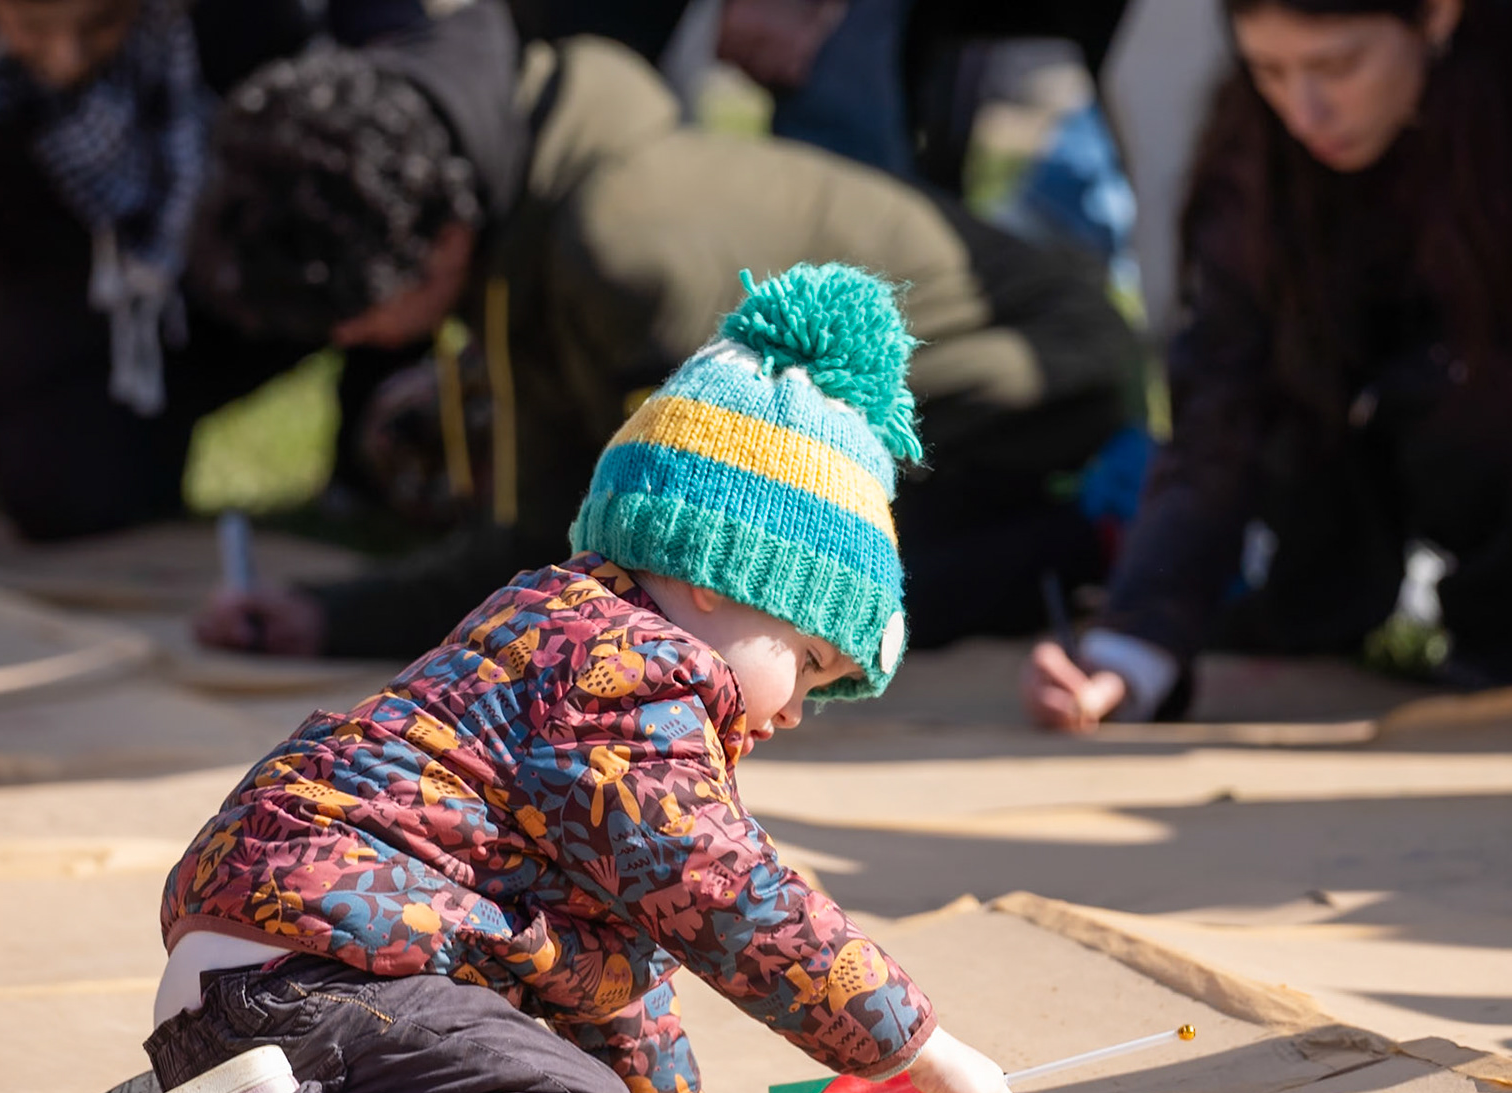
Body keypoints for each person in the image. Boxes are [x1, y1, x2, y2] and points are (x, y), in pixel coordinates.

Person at [11, 265, 1049, 1093]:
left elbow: (618, 949)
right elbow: (738, 901)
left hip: (258, 975)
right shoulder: (636, 691)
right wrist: (922, 1048)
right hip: (317, 976)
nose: (802, 708)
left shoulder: (558, 635)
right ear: (717, 580)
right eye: (811, 662)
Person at [190, 0, 1135, 660]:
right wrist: (329, 620)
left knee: (789, 605)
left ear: (438, 245)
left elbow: (661, 566)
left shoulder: (616, 248)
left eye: (353, 317)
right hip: (988, 376)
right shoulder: (523, 201)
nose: (354, 340)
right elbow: (541, 539)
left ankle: (1091, 538)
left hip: (1038, 385)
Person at [1023, 0, 1512, 730]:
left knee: (1469, 406)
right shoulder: (1259, 155)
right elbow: (1219, 408)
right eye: (1269, 70)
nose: (1306, 111)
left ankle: (1493, 618)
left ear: (1437, 16)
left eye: (1337, 65)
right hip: (1374, 449)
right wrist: (1131, 649)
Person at [0, 0, 425, 540]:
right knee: (69, 495)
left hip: (262, 238)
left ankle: (377, 460)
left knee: (379, 189)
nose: (66, 61)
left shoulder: (249, 18)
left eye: (98, 26)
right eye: (32, 31)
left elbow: (406, 76)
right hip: (78, 281)